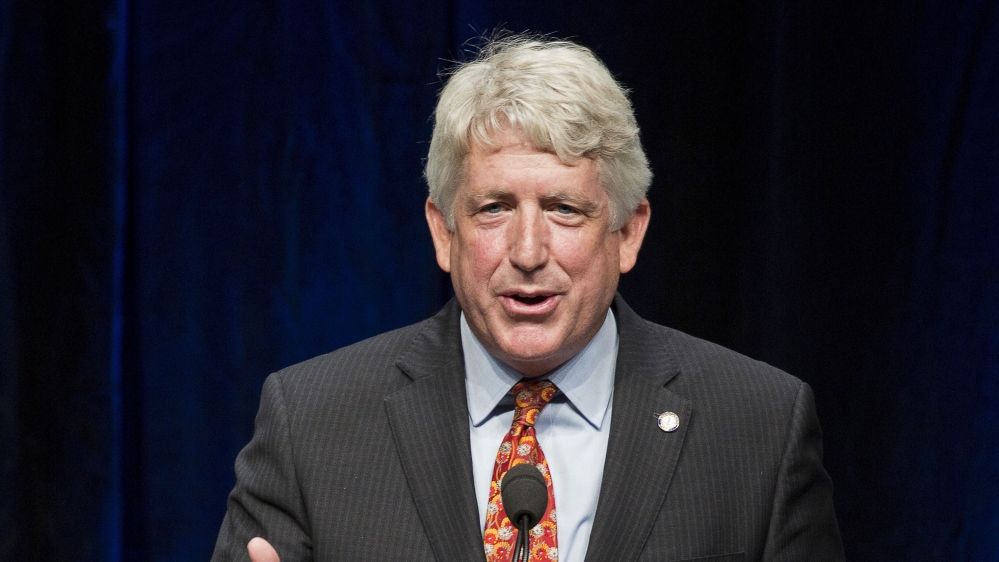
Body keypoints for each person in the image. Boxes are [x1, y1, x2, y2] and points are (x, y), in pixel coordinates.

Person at [211, 34, 845, 562]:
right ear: (443, 231)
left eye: (565, 209)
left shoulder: (761, 430)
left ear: (628, 233)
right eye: (493, 208)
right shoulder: (310, 423)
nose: (529, 251)